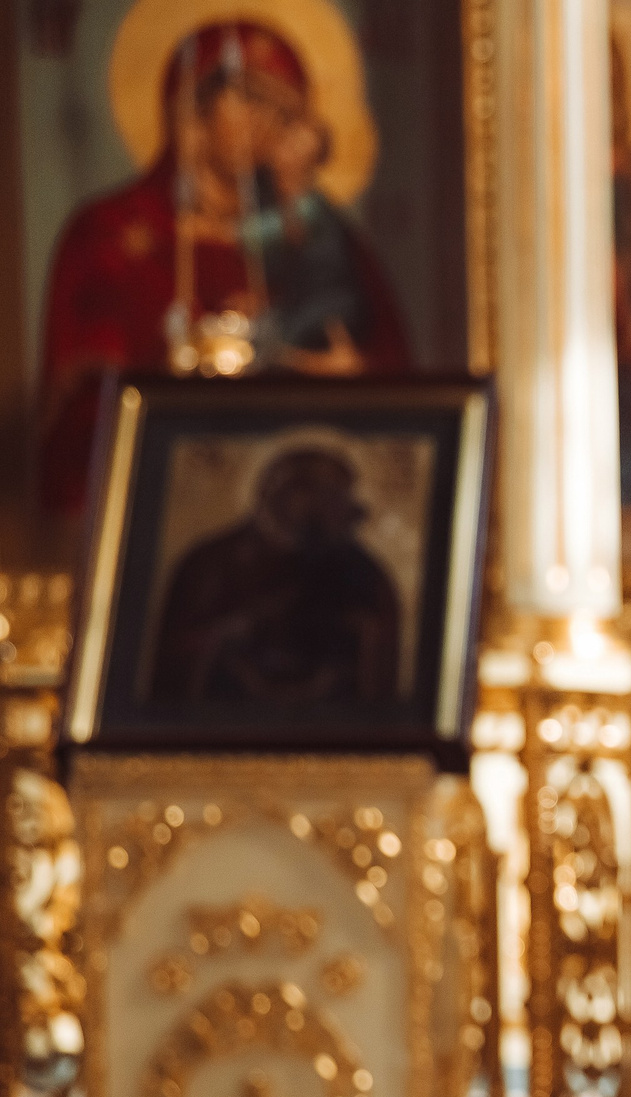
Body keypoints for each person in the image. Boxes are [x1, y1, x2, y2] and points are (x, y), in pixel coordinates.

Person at [35, 20, 409, 518]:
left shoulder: (319, 237)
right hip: (161, 495)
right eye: (250, 100)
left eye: (285, 112)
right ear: (194, 107)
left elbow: (389, 375)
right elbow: (83, 404)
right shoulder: (112, 234)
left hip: (294, 497)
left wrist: (348, 374)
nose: (267, 124)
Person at [144, 445, 402, 707]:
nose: (328, 506)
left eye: (336, 495)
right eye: (316, 492)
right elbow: (177, 655)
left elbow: (378, 655)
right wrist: (230, 632)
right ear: (276, 493)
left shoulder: (361, 570)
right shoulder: (211, 562)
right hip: (226, 714)